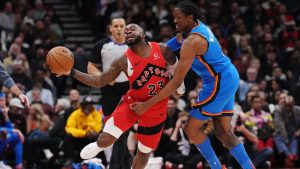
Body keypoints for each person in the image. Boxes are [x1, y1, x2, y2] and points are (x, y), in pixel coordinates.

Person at [131, 1, 255, 169]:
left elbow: (176, 82)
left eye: (178, 18)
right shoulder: (192, 29)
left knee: (190, 128)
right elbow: (166, 48)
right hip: (228, 76)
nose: (175, 22)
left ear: (190, 17)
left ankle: (216, 167)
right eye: (174, 18)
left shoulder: (192, 41)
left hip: (218, 81)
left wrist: (146, 105)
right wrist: (145, 55)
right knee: (223, 132)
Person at [55, 23, 180, 169]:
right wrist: (72, 72)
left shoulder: (163, 49)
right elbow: (99, 81)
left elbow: (179, 71)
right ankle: (98, 146)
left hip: (156, 108)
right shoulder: (123, 60)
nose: (127, 31)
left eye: (132, 29)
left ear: (144, 34)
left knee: (144, 152)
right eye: (126, 32)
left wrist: (181, 86)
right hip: (132, 103)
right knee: (105, 141)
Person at [87, 17, 131, 168]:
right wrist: (104, 77)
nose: (118, 29)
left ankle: (115, 166)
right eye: (116, 26)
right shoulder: (102, 45)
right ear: (110, 28)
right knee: (116, 132)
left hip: (128, 90)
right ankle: (128, 163)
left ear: (126, 28)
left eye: (121, 26)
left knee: (122, 131)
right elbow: (90, 67)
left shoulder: (134, 45)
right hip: (109, 91)